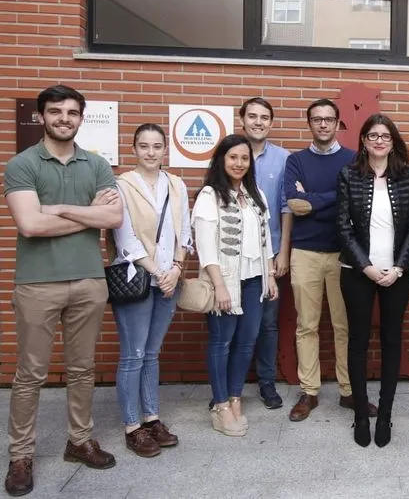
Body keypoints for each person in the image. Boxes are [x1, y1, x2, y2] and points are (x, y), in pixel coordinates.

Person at [3, 85, 122, 496]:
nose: (64, 118)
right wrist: (89, 216)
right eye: (56, 112)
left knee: (82, 369)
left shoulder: (97, 164)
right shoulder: (22, 164)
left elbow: (115, 215)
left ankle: (79, 440)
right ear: (42, 117)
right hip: (37, 283)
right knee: (30, 374)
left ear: (81, 118)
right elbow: (30, 226)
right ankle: (20, 455)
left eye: (72, 112)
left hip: (89, 280)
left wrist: (57, 209)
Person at [285, 99, 376, 421]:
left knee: (344, 326)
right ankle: (309, 391)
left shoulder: (354, 160)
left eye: (328, 119)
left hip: (344, 254)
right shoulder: (295, 161)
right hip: (305, 252)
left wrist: (313, 200)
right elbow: (294, 203)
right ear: (309, 123)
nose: (323, 125)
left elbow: (355, 201)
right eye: (316, 119)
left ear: (338, 124)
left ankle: (349, 392)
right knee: (306, 325)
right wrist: (334, 197)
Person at [337, 114, 409, 448]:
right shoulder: (349, 174)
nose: (379, 141)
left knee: (391, 340)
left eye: (385, 136)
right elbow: (342, 227)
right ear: (363, 141)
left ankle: (385, 413)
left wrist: (399, 267)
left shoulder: (406, 176)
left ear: (393, 141)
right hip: (358, 273)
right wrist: (366, 266)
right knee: (357, 341)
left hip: (396, 275)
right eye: (373, 135)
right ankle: (360, 413)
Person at [109, 123, 192, 457]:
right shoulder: (122, 184)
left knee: (152, 353)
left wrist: (176, 268)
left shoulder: (176, 184)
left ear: (164, 150)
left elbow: (184, 230)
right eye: (144, 146)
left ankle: (152, 417)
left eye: (157, 146)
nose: (151, 152)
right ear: (134, 149)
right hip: (138, 279)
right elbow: (124, 237)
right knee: (133, 355)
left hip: (168, 280)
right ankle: (133, 426)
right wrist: (159, 270)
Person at [192, 134, 278, 437]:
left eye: (244, 158)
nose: (239, 163)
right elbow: (205, 249)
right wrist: (220, 287)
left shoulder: (257, 195)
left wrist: (269, 274)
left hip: (255, 279)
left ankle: (235, 396)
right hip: (225, 281)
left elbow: (266, 240)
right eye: (233, 157)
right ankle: (220, 405)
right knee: (221, 342)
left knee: (246, 342)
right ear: (221, 160)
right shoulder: (209, 196)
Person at [239, 97, 292, 410]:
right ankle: (230, 388)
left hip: (269, 254)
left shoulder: (284, 159)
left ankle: (267, 384)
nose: (258, 122)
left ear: (271, 123)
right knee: (233, 321)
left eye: (264, 118)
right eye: (252, 116)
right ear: (242, 119)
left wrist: (283, 252)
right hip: (233, 256)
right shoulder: (229, 154)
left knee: (267, 324)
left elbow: (287, 208)